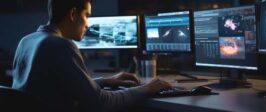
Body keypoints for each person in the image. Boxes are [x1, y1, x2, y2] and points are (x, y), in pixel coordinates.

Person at [11, 0, 171, 112]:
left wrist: (104, 81)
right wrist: (148, 88)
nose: (88, 24)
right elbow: (101, 103)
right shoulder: (60, 45)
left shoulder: (26, 41)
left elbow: (54, 88)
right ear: (73, 14)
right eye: (87, 15)